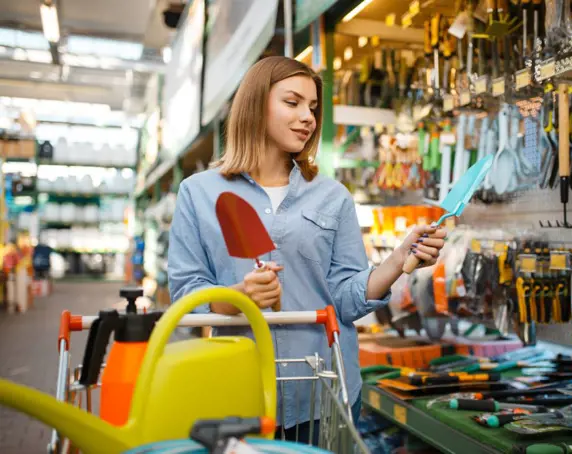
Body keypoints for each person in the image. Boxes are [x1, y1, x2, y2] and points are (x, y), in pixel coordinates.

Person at [167, 56, 446, 444]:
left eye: (313, 107)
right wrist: (238, 298)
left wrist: (398, 262)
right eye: (292, 102)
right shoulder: (199, 193)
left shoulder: (332, 197)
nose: (308, 118)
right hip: (238, 390)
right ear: (255, 103)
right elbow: (185, 293)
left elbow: (345, 299)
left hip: (323, 391)